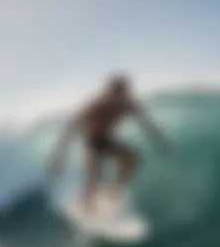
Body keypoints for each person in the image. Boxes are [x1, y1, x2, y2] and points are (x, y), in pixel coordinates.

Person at [48, 74, 171, 212]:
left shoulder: (128, 105)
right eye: (115, 93)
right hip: (91, 141)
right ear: (109, 92)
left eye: (123, 93)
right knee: (94, 175)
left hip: (107, 139)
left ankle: (114, 189)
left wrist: (160, 141)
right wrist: (58, 157)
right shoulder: (95, 106)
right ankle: (86, 207)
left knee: (131, 160)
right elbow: (70, 129)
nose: (119, 97)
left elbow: (147, 123)